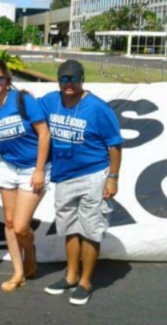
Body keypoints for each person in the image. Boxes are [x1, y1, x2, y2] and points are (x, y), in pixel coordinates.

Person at [39, 60, 123, 305]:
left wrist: (113, 178)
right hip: (64, 176)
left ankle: (85, 281)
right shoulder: (50, 101)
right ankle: (70, 276)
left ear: (82, 79)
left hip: (94, 174)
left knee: (91, 229)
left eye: (74, 79)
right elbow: (27, 109)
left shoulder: (97, 108)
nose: (68, 84)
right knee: (69, 228)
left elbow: (115, 145)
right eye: (64, 78)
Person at [0, 59, 50, 293]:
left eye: (0, 78)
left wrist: (40, 169)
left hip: (33, 168)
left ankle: (29, 252)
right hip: (7, 167)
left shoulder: (22, 99)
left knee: (21, 227)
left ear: (7, 79)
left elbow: (44, 134)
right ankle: (18, 272)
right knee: (9, 223)